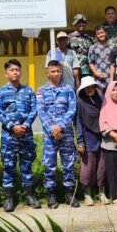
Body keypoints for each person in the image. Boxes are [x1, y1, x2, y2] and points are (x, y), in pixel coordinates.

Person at [0, 59, 41, 212]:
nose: (15, 72)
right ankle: (9, 198)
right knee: (9, 166)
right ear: (6, 73)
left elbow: (34, 110)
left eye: (17, 70)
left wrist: (25, 126)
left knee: (26, 165)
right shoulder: (0, 92)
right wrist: (12, 126)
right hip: (9, 135)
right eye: (12, 70)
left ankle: (29, 195)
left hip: (25, 134)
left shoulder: (28, 91)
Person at [37, 60, 78, 209]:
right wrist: (52, 129)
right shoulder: (41, 90)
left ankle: (69, 194)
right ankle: (51, 194)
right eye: (52, 71)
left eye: (58, 71)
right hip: (49, 135)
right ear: (47, 72)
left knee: (68, 164)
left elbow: (72, 110)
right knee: (49, 165)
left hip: (65, 133)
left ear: (61, 72)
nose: (55, 74)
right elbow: (41, 112)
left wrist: (59, 127)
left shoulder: (68, 89)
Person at [75, 76, 108, 206]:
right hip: (87, 138)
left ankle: (101, 192)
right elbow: (78, 122)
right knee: (88, 168)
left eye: (92, 86)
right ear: (83, 89)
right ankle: (87, 194)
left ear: (95, 87)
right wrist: (80, 141)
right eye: (87, 87)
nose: (90, 89)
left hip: (102, 137)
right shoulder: (80, 102)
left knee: (102, 167)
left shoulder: (100, 100)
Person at [68, 13, 94, 80]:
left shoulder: (89, 38)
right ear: (75, 23)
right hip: (75, 71)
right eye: (79, 22)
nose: (81, 24)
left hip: (88, 71)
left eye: (83, 22)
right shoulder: (69, 38)